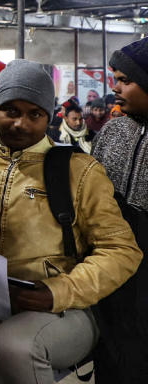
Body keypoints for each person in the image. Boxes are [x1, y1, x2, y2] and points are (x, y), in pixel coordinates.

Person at [0, 59, 141, 384]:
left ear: (49, 117)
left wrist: (58, 291)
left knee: (16, 344)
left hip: (62, 311)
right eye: (10, 111)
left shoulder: (78, 172)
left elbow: (121, 250)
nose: (20, 124)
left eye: (34, 114)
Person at [90, 35, 148, 383]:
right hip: (110, 272)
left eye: (126, 80)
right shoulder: (112, 131)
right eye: (115, 79)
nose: (116, 88)